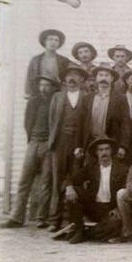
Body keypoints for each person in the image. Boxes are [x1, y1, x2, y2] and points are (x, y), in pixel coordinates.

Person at [0, 76, 60, 228]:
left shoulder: (57, 101)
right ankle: (16, 217)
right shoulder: (33, 102)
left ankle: (42, 218)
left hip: (48, 145)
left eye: (47, 85)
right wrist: (32, 140)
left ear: (53, 88)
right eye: (41, 85)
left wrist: (51, 143)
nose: (43, 88)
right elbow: (27, 123)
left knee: (46, 182)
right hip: (33, 142)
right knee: (24, 180)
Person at [46, 64, 90, 231]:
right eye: (69, 75)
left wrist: (82, 146)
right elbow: (51, 121)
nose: (72, 78)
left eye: (76, 75)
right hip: (60, 143)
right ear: (64, 80)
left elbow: (87, 124)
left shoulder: (86, 98)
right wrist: (53, 142)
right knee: (58, 179)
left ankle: (71, 219)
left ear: (81, 79)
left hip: (77, 144)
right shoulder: (57, 97)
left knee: (75, 180)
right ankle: (54, 219)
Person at [62, 137, 127, 244]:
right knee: (74, 191)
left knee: (115, 224)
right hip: (92, 206)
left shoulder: (122, 169)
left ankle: (85, 233)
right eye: (100, 150)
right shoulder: (91, 168)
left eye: (106, 149)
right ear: (96, 152)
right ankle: (79, 229)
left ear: (111, 151)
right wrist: (69, 188)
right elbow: (72, 179)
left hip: (110, 209)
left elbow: (125, 190)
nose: (104, 152)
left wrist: (117, 208)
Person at [82, 64, 131, 161]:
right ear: (96, 78)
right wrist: (79, 146)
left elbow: (126, 124)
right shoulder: (87, 98)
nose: (103, 78)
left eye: (106, 75)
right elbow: (81, 123)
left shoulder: (120, 99)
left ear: (112, 78)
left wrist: (123, 146)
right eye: (100, 75)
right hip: (90, 143)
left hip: (110, 143)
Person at [25, 29, 70, 97]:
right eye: (50, 39)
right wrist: (28, 93)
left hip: (57, 93)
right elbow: (29, 77)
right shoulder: (36, 60)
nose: (53, 42)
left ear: (59, 43)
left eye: (56, 40)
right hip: (39, 93)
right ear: (45, 41)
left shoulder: (64, 60)